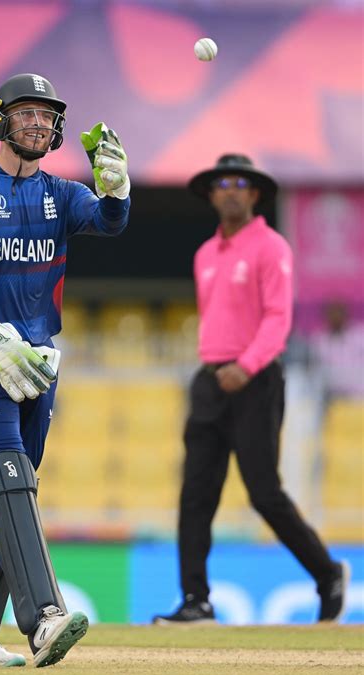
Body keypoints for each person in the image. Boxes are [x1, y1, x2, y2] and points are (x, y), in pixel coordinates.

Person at [0, 73, 130, 666]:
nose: (39, 123)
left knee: (6, 494)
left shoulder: (62, 195)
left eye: (46, 115)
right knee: (8, 473)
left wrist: (117, 191)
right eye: (26, 114)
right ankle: (43, 619)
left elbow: (111, 223)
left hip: (38, 365)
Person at [153, 155, 350, 625]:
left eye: (240, 183)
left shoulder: (271, 246)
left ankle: (327, 574)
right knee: (196, 493)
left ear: (255, 193)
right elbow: (215, 318)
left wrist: (247, 365)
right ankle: (196, 601)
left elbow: (278, 319)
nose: (231, 191)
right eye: (223, 184)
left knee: (264, 493)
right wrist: (220, 367)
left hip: (256, 379)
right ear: (212, 194)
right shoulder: (205, 254)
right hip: (211, 379)